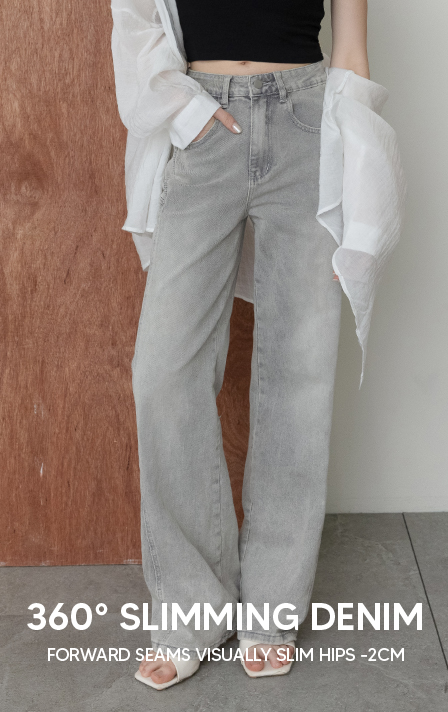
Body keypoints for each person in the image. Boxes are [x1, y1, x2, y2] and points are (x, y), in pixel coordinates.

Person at [111, 0, 370, 690]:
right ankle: (192, 611)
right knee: (163, 372)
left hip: (308, 123)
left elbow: (352, 53)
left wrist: (357, 175)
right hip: (203, 120)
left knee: (299, 373)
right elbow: (134, 19)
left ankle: (272, 608)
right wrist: (189, 115)